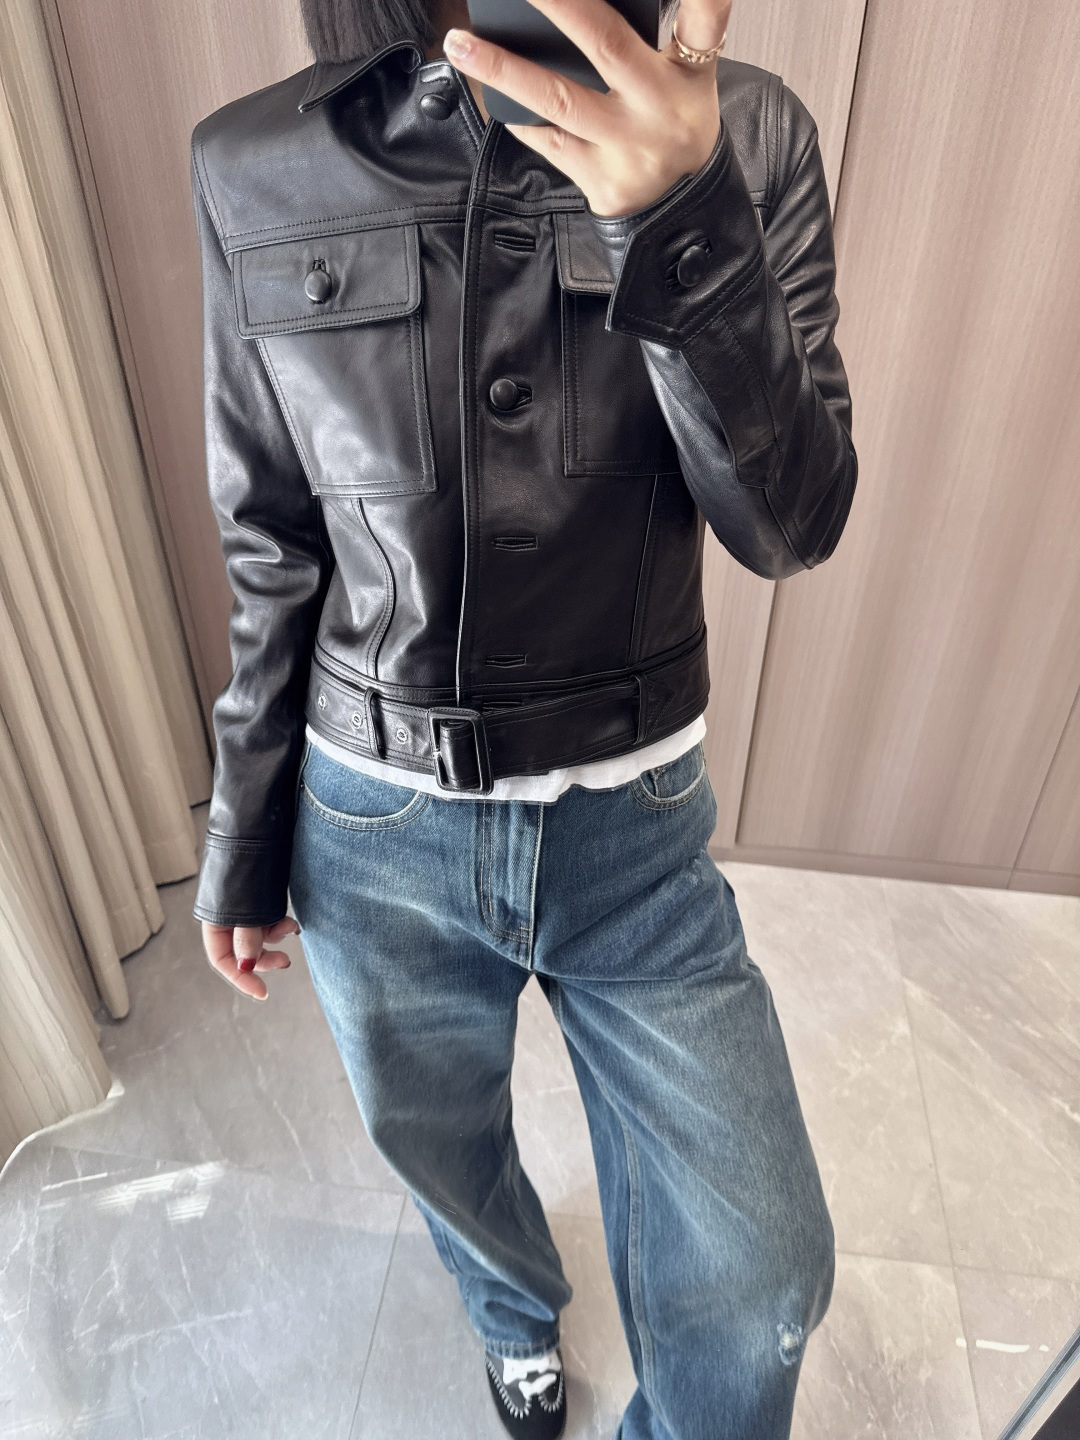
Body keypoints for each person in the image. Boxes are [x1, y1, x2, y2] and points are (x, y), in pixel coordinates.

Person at [191, 0, 856, 1434]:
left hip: (637, 835)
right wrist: (243, 837)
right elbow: (273, 539)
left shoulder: (746, 134)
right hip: (373, 831)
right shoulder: (253, 163)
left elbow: (792, 524)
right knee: (438, 1146)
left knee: (762, 1272)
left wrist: (682, 219)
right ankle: (510, 1316)